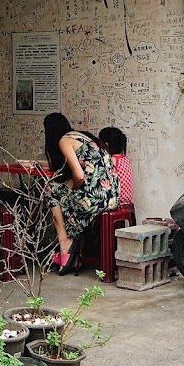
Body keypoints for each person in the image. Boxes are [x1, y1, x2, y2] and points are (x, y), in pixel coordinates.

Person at [43, 113, 120, 274]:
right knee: (66, 198)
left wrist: (74, 188)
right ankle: (75, 257)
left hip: (95, 199)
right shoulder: (84, 138)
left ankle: (65, 244)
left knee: (50, 191)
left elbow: (78, 176)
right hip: (112, 197)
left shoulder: (63, 141)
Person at [98, 126, 134, 206]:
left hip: (116, 200)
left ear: (106, 144)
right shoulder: (125, 159)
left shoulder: (112, 160)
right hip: (127, 200)